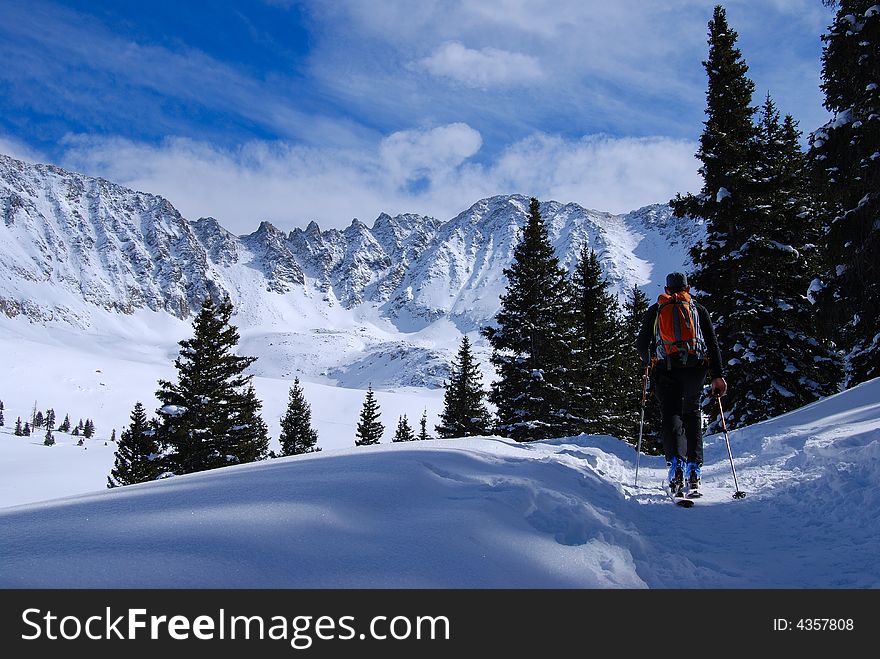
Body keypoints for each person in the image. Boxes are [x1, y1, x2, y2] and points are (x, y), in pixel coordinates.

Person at [635, 272, 727, 495]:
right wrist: (717, 375)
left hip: (666, 369)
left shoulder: (657, 309)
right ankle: (694, 467)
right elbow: (712, 343)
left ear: (667, 289)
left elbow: (641, 344)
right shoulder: (697, 308)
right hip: (695, 369)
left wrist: (649, 362)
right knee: (692, 412)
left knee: (671, 414)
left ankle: (676, 463)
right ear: (687, 287)